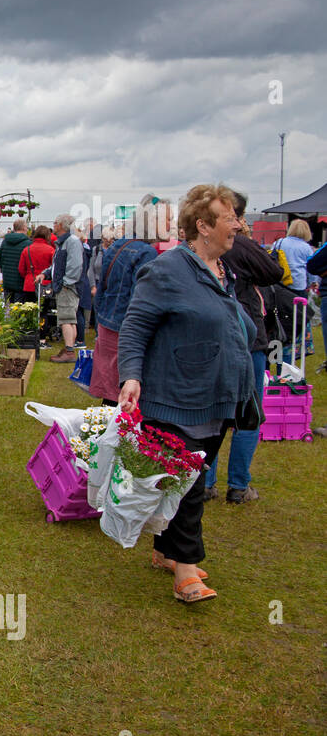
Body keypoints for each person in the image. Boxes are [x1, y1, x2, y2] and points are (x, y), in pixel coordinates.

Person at [117, 184, 255, 604]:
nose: (237, 225)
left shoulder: (219, 268)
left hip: (218, 394)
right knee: (191, 484)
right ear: (202, 225)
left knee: (187, 477)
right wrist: (131, 376)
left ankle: (164, 550)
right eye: (228, 218)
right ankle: (187, 571)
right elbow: (136, 326)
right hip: (179, 396)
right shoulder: (168, 270)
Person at [200, 192, 284, 502]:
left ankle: (209, 482)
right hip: (244, 336)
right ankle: (236, 484)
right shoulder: (239, 245)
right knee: (246, 412)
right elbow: (274, 272)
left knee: (215, 413)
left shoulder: (202, 246)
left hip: (220, 336)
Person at [88, 228, 157, 408]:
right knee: (125, 388)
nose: (170, 224)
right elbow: (141, 298)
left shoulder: (117, 245)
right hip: (126, 324)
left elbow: (101, 285)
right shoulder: (146, 252)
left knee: (111, 390)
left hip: (108, 320)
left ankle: (104, 430)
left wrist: (101, 316)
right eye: (166, 219)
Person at [48, 213, 84, 362]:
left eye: (55, 222)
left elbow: (75, 265)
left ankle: (69, 352)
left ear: (61, 225)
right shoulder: (64, 242)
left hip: (68, 287)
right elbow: (57, 265)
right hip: (66, 285)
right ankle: (69, 348)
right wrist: (46, 274)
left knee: (66, 319)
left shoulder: (71, 241)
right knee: (70, 319)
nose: (53, 225)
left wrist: (65, 283)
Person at [0, 218, 32, 303]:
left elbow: (0, 261)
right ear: (23, 228)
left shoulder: (5, 242)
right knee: (18, 310)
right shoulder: (27, 243)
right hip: (20, 281)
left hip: (7, 280)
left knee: (7, 309)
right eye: (27, 227)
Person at [18, 224, 54, 303]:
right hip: (45, 285)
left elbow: (21, 269)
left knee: (29, 311)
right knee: (43, 311)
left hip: (29, 284)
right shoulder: (51, 250)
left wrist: (28, 276)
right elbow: (54, 269)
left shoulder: (26, 250)